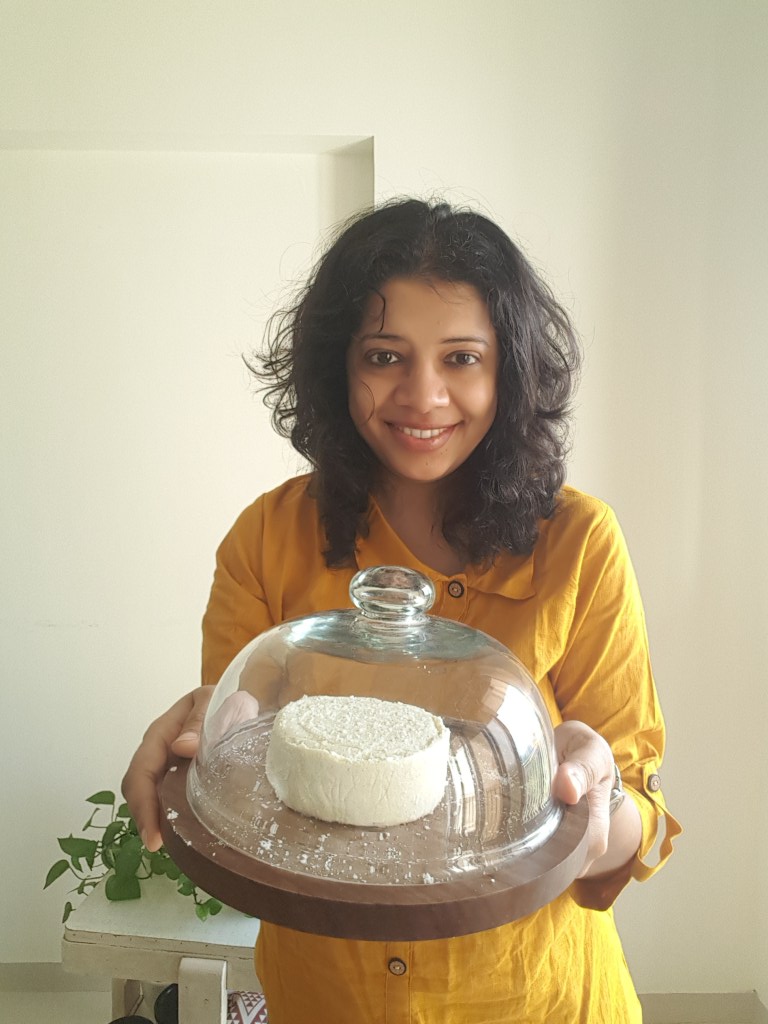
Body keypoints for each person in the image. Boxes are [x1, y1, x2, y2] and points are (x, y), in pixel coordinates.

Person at [123, 198, 680, 1023]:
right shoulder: (268, 537)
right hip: (329, 995)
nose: (424, 395)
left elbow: (640, 810)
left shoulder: (578, 543)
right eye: (385, 356)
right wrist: (211, 731)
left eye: (462, 358)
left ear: (510, 372)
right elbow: (239, 746)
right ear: (336, 367)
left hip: (536, 996)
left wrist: (598, 797)